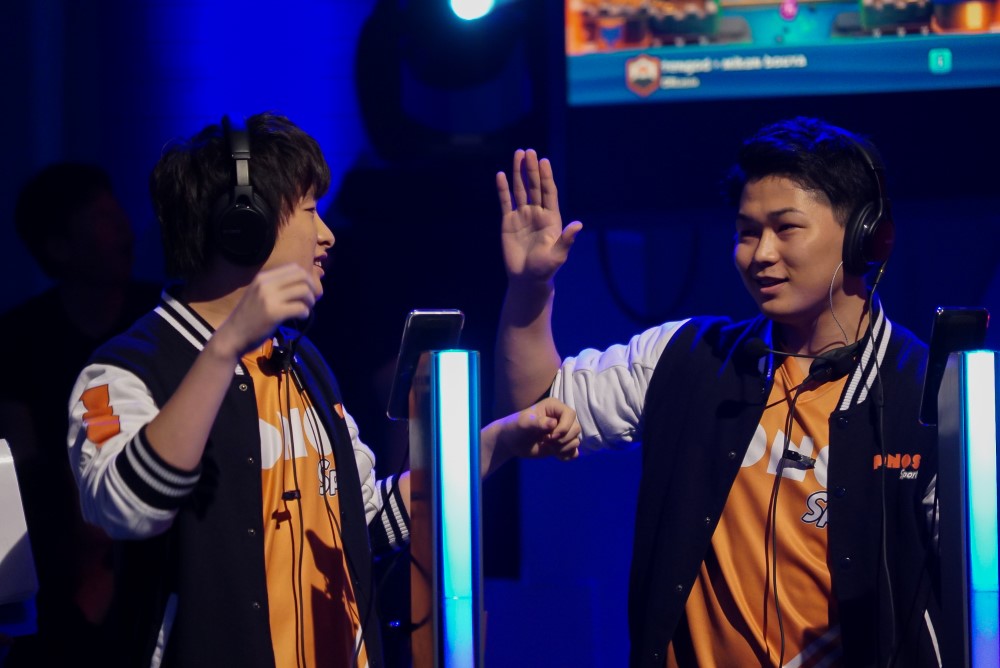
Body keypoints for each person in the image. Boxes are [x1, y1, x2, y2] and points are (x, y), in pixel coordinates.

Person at [66, 112, 579, 668]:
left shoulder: (301, 360)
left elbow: (364, 520)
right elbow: (127, 508)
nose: (327, 234)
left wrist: (496, 443)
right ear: (243, 224)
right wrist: (225, 347)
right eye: (310, 210)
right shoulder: (123, 372)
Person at [493, 117, 941, 667]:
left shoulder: (932, 394)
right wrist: (530, 288)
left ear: (865, 237)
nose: (760, 253)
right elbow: (533, 411)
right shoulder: (685, 356)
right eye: (747, 232)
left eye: (786, 228)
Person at [0, 163, 161, 667]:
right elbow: (22, 465)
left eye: (119, 215)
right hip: (60, 559)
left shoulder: (158, 318)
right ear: (58, 247)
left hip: (154, 541)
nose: (125, 233)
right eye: (103, 219)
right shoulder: (20, 338)